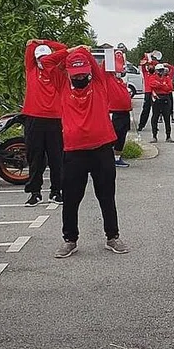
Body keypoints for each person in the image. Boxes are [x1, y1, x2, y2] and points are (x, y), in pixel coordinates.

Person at [40, 45, 128, 258]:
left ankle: (112, 236)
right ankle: (70, 240)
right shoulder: (62, 85)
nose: (80, 78)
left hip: (102, 149)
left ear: (89, 71)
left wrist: (83, 52)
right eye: (76, 74)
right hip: (74, 152)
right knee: (71, 199)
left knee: (106, 196)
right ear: (69, 73)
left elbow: (91, 64)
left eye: (83, 74)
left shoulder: (98, 83)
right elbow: (46, 62)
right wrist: (69, 51)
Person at [22, 39, 67, 206]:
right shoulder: (31, 70)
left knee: (57, 158)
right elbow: (29, 45)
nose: (42, 61)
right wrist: (36, 43)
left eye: (45, 58)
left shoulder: (57, 71)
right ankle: (35, 192)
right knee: (35, 158)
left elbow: (64, 49)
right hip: (34, 119)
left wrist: (45, 42)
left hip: (55, 119)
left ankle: (56, 191)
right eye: (39, 58)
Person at [104, 61, 133, 169]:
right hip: (115, 112)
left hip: (125, 112)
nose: (122, 71)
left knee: (122, 137)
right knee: (114, 136)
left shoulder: (121, 82)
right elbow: (105, 67)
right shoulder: (109, 79)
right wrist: (111, 57)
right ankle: (108, 157)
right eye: (120, 69)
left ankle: (117, 158)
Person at [150, 63, 174, 143]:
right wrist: (163, 85)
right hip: (157, 98)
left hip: (166, 98)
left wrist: (159, 85)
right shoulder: (152, 77)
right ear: (156, 71)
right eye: (159, 70)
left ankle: (168, 136)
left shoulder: (167, 78)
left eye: (162, 70)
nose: (161, 72)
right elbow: (152, 84)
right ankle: (154, 136)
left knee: (167, 118)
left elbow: (170, 88)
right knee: (155, 118)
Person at [137, 55, 157, 132]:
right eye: (149, 66)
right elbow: (142, 64)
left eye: (151, 66)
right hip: (148, 93)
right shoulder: (146, 73)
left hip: (155, 93)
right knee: (146, 110)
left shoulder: (156, 74)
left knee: (156, 111)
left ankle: (155, 126)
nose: (150, 67)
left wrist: (151, 61)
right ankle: (141, 125)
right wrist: (147, 57)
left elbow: (156, 63)